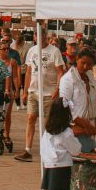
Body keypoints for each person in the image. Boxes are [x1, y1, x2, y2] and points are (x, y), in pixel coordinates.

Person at [15, 33, 65, 162]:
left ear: (46, 37)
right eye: (38, 36)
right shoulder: (31, 51)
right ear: (35, 37)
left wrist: (58, 89)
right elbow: (28, 72)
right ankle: (27, 149)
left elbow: (60, 71)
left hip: (49, 92)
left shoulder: (54, 51)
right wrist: (25, 91)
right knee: (31, 118)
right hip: (33, 91)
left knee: (47, 122)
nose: (41, 38)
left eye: (43, 36)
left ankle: (48, 148)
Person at [39, 98, 81, 190]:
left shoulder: (48, 130)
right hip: (62, 166)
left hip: (49, 164)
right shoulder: (66, 132)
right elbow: (75, 150)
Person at [59, 48, 96, 152]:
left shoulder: (90, 76)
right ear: (77, 59)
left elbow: (93, 104)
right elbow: (64, 105)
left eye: (89, 64)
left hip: (88, 129)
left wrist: (91, 126)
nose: (85, 67)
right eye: (83, 63)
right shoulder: (68, 79)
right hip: (74, 129)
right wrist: (85, 125)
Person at [0, 36, 20, 147]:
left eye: (7, 49)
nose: (6, 50)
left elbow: (15, 77)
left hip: (9, 90)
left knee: (7, 115)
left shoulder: (12, 62)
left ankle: (6, 134)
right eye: (4, 49)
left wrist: (17, 90)